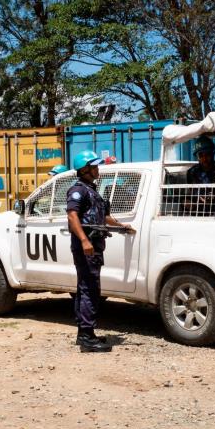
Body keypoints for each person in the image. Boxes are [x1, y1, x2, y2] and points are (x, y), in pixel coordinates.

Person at [66, 150, 134, 353]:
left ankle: (83, 334)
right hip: (87, 247)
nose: (97, 169)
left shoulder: (91, 190)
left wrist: (122, 226)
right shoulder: (78, 190)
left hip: (95, 246)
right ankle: (87, 337)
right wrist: (85, 241)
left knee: (85, 288)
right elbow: (72, 216)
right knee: (89, 289)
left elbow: (102, 216)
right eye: (94, 166)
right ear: (84, 169)